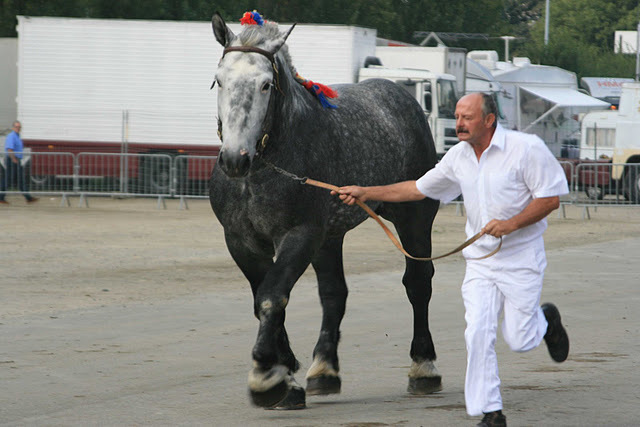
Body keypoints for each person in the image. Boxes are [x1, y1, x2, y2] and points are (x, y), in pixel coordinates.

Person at [333, 92, 570, 427]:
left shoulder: (526, 149)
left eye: (467, 117)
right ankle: (491, 412)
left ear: (489, 120)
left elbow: (550, 199)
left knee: (521, 339)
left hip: (521, 259)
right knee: (477, 334)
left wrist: (510, 224)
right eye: (457, 116)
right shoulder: (458, 157)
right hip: (481, 263)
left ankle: (546, 320)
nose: (459, 123)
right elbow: (417, 188)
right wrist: (365, 191)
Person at [0, 121, 38, 204]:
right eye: (16, 127)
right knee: (8, 180)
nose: (18, 128)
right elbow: (9, 149)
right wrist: (14, 159)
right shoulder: (11, 136)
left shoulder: (17, 136)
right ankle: (1, 197)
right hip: (12, 160)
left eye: (19, 127)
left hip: (16, 160)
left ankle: (28, 197)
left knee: (19, 179)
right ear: (13, 128)